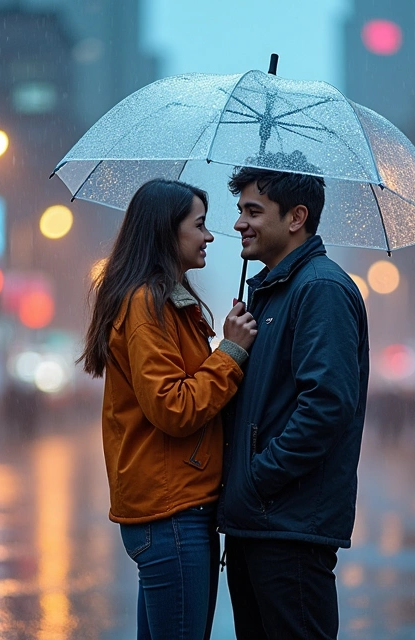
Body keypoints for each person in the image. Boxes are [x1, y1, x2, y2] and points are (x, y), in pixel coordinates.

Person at [79, 179, 257, 640]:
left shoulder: (167, 302)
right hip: (173, 510)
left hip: (176, 505)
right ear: (165, 232)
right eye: (199, 226)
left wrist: (222, 348)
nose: (210, 236)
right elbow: (173, 406)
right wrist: (231, 354)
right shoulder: (147, 304)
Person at [217, 154, 370, 640]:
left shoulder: (320, 289)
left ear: (296, 217)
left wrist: (258, 477)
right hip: (259, 523)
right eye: (240, 210)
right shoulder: (271, 293)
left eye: (254, 211)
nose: (239, 223)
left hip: (288, 527)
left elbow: (326, 406)